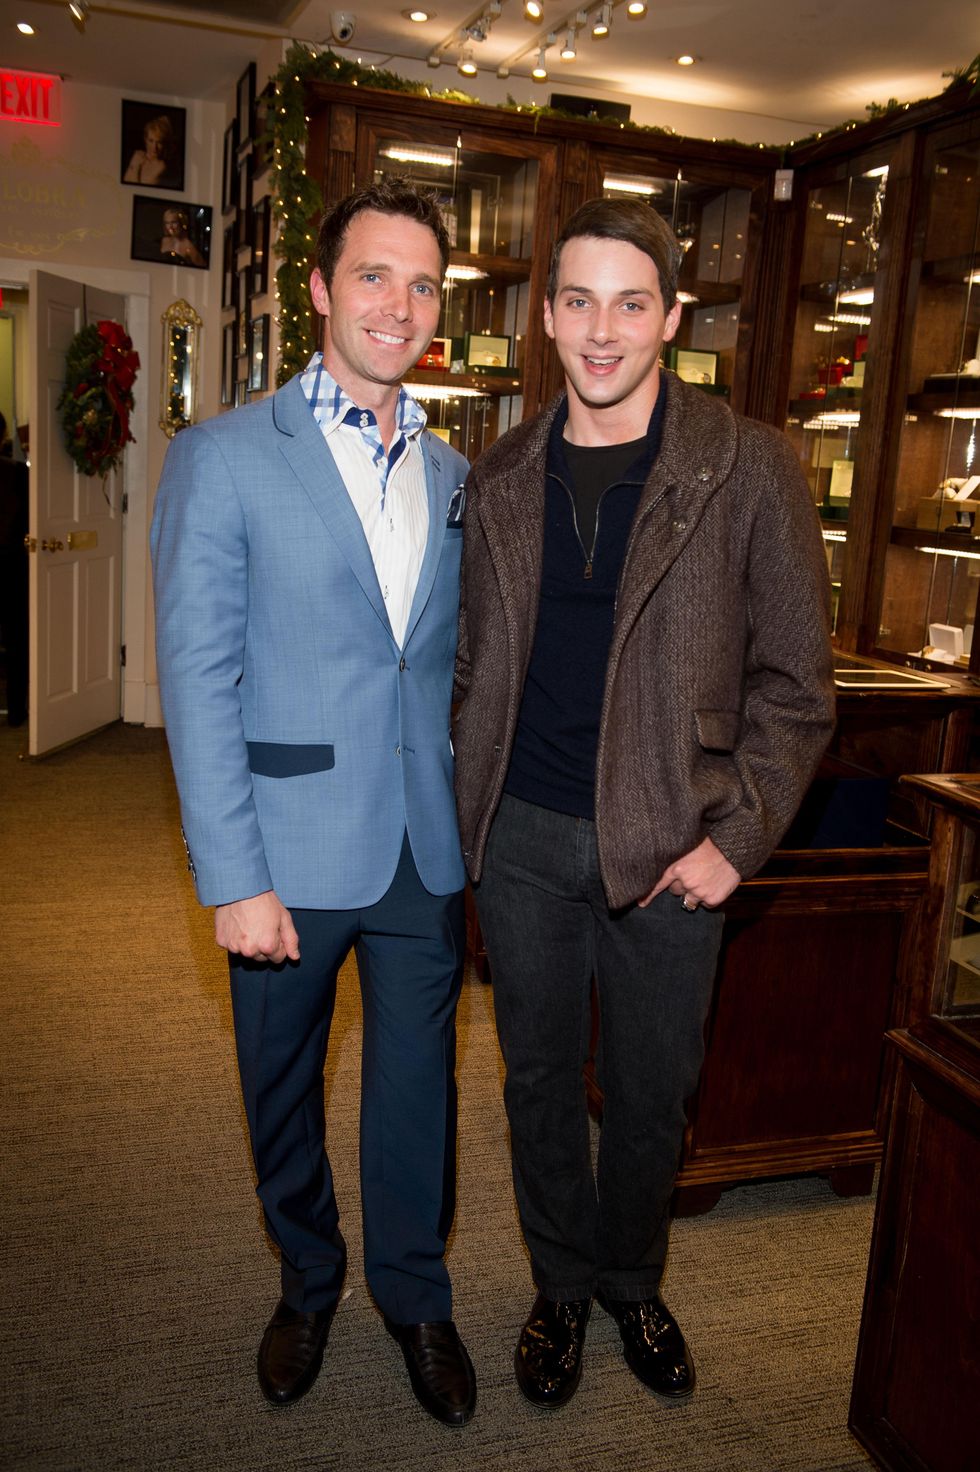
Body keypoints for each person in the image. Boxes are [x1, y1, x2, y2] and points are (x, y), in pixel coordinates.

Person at [452, 197, 835, 1409]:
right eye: (578, 301)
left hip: (675, 843)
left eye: (630, 303)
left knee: (655, 1084)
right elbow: (470, 667)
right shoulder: (502, 470)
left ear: (670, 316)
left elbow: (796, 684)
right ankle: (560, 1285)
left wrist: (735, 841)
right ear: (545, 314)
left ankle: (631, 1277)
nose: (601, 331)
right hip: (520, 836)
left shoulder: (749, 463)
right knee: (534, 1078)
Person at [150, 179, 476, 1425]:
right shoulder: (226, 456)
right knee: (278, 1087)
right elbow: (198, 674)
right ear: (323, 288)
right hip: (281, 852)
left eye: (422, 283)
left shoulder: (454, 471)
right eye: (375, 275)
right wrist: (232, 875)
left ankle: (412, 1293)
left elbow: (441, 664)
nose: (399, 303)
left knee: (417, 1092)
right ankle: (308, 1277)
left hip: (420, 850)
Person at [0, 410, 28, 728]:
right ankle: (17, 711)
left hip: (10, 564)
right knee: (17, 640)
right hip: (11, 565)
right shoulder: (18, 473)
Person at [124, 114, 177, 188]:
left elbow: (137, 190)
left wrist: (135, 166)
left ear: (164, 144)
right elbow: (124, 183)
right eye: (151, 141)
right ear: (145, 140)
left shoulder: (161, 166)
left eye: (159, 142)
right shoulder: (138, 155)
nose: (154, 147)